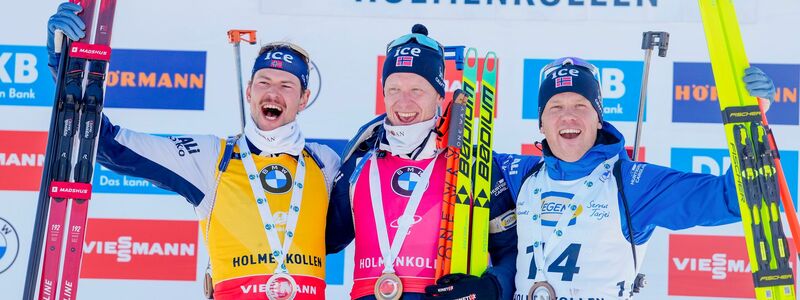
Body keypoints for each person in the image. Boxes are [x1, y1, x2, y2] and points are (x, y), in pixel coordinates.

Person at [47, 3, 341, 299]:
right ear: (249, 91)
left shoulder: (324, 163)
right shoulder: (212, 157)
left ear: (304, 99)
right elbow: (110, 146)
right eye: (264, 82)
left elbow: (349, 228)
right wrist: (64, 68)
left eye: (286, 85)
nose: (273, 93)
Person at [499, 57, 777, 299]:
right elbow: (461, 156)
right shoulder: (522, 174)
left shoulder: (632, 184)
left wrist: (752, 120)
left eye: (580, 106)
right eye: (555, 107)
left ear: (598, 119)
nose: (568, 117)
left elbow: (730, 200)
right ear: (541, 123)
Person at [325, 24, 517, 300]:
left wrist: (491, 287)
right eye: (394, 89)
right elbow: (327, 240)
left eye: (417, 89)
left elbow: (512, 251)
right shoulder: (359, 162)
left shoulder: (472, 165)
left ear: (439, 95)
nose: (404, 101)